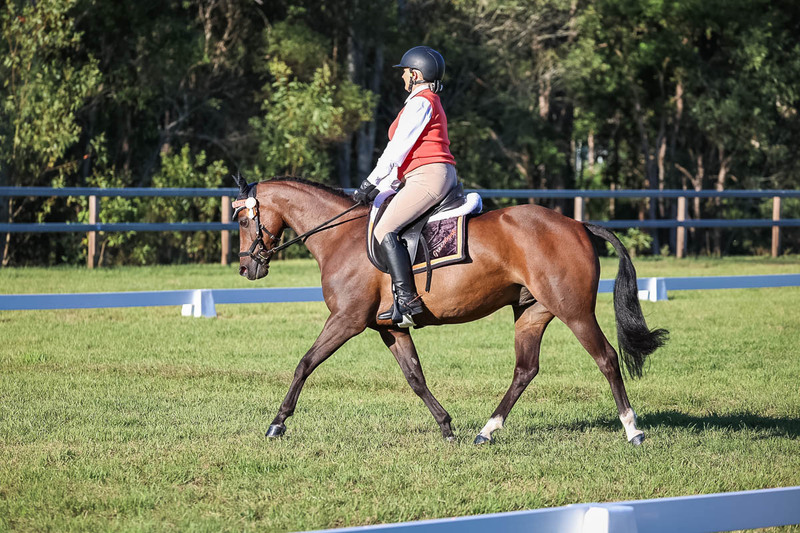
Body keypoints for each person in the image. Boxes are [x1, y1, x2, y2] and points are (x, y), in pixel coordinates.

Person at [353, 45, 459, 327]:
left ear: (415, 74)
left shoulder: (421, 102)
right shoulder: (424, 101)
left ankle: (408, 302)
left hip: (429, 176)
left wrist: (370, 182)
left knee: (385, 229)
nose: (401, 78)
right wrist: (385, 184)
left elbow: (397, 149)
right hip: (423, 174)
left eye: (404, 73)